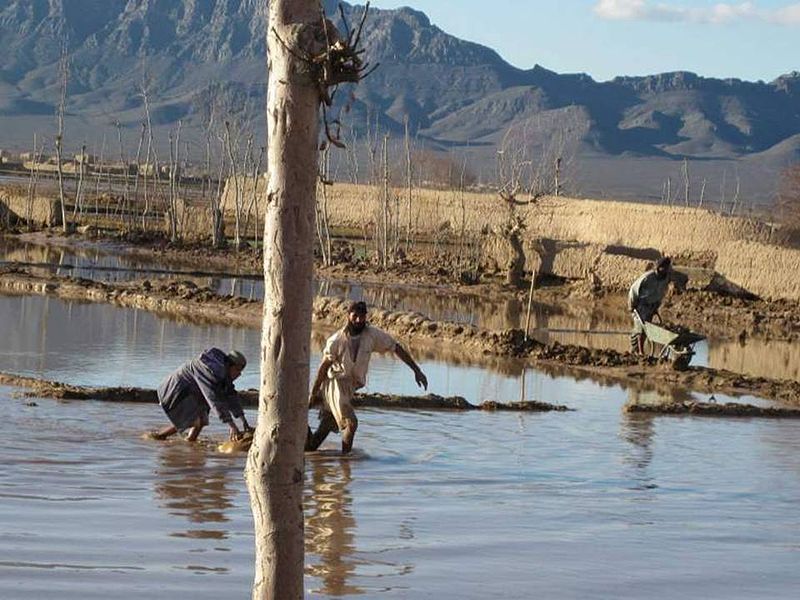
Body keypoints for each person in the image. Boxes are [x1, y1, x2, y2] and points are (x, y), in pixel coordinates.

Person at [306, 301, 428, 454]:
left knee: (314, 443)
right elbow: (323, 367)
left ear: (365, 317)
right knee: (351, 424)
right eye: (355, 316)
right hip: (335, 384)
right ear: (348, 316)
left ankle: (305, 439)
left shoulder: (372, 335)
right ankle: (346, 467)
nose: (358, 320)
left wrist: (417, 371)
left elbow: (396, 347)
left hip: (350, 388)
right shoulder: (336, 340)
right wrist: (314, 392)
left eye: (361, 317)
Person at [150, 348, 253, 442]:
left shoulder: (223, 374)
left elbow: (231, 397)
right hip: (177, 389)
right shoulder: (210, 372)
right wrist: (232, 425)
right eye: (238, 370)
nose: (239, 375)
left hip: (193, 392)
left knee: (202, 420)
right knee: (195, 420)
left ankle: (189, 441)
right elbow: (214, 400)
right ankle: (160, 436)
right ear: (230, 366)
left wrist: (244, 422)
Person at [628, 256, 672, 355]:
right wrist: (631, 305)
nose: (665, 270)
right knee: (640, 328)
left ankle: (636, 350)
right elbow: (633, 290)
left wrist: (657, 305)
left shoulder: (665, 279)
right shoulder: (647, 278)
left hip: (652, 306)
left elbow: (662, 292)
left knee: (647, 329)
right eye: (663, 268)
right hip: (641, 305)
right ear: (659, 267)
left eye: (667, 268)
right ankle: (640, 352)